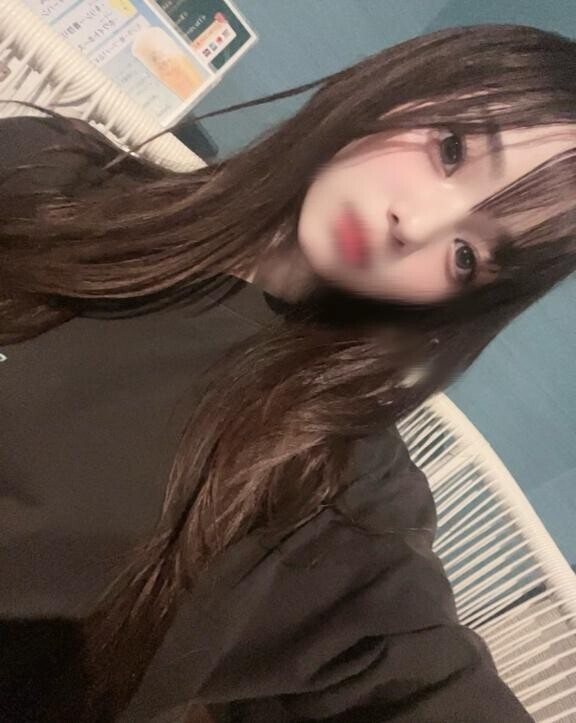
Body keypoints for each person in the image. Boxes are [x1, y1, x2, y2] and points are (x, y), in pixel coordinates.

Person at [1, 22, 575, 722]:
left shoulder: (331, 497)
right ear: (402, 86)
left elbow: (419, 682)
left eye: (467, 255)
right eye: (451, 148)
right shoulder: (44, 175)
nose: (416, 223)